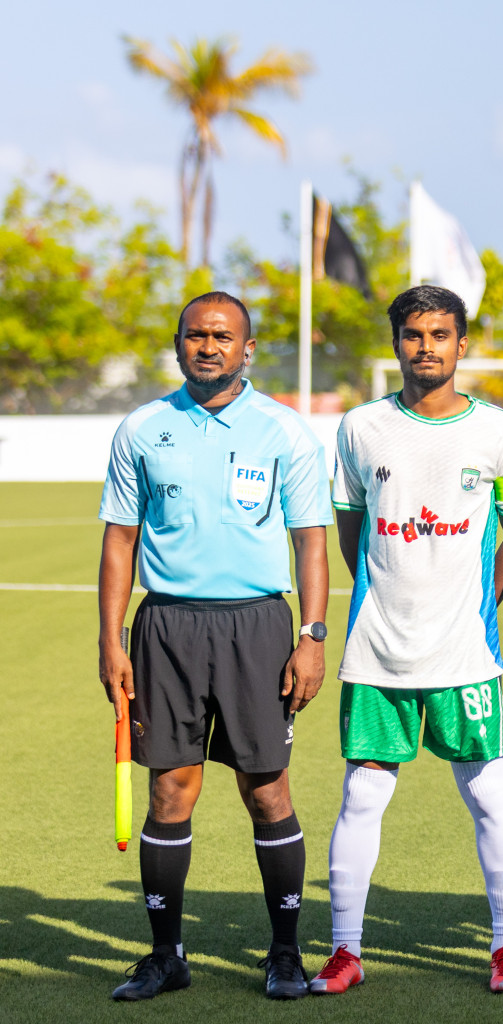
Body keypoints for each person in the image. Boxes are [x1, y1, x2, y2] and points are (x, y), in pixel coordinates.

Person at [97, 292, 331, 1001]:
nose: (208, 346)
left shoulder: (284, 431)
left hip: (257, 628)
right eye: (196, 335)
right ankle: (166, 956)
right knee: (170, 788)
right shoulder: (142, 428)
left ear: (247, 349)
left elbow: (311, 542)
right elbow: (120, 541)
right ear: (178, 345)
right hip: (166, 627)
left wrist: (312, 635)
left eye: (223, 336)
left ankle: (285, 954)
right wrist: (111, 639)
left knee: (267, 789)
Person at [307, 285, 503, 996]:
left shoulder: (498, 432)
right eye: (413, 334)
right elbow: (351, 528)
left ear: (462, 345)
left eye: (440, 335)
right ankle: (345, 951)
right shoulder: (360, 428)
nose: (426, 347)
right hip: (377, 651)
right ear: (397, 343)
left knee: (489, 795)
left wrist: (481, 600)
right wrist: (389, 591)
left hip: (465, 653)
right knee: (361, 797)